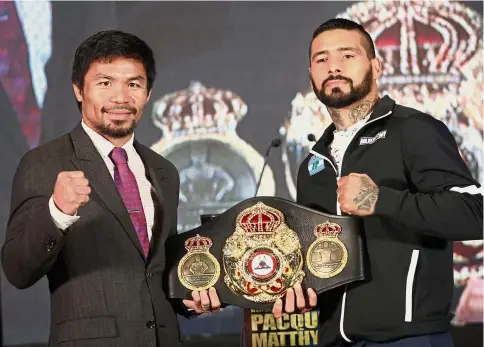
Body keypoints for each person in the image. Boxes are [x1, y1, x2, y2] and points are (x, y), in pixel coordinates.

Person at [1, 30, 221, 347]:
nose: (121, 97)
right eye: (105, 83)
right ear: (79, 89)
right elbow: (17, 270)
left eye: (133, 84)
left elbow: (155, 274)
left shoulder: (165, 171)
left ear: (147, 93)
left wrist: (188, 300)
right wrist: (57, 212)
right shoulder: (43, 163)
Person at [272, 18, 483, 347]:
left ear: (376, 66)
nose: (333, 67)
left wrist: (383, 200)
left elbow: (475, 212)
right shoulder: (313, 164)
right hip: (332, 340)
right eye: (321, 59)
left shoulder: (412, 130)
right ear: (311, 73)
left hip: (408, 338)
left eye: (347, 55)